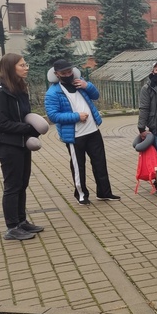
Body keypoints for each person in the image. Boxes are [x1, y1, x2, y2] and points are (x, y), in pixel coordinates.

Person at [45, 59, 120, 206]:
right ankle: (81, 194)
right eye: (64, 73)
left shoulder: (80, 83)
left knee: (100, 162)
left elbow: (96, 96)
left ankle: (104, 192)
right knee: (78, 166)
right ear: (56, 74)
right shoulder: (53, 93)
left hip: (93, 130)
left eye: (69, 71)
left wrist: (87, 86)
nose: (68, 74)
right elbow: (53, 116)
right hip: (75, 135)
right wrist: (76, 116)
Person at [0, 53, 45, 240]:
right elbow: (1, 123)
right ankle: (12, 227)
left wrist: (32, 127)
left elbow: (23, 115)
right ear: (11, 68)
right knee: (12, 186)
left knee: (22, 183)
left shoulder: (19, 89)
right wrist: (29, 128)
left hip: (22, 144)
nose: (26, 67)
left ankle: (21, 221)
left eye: (25, 64)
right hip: (9, 146)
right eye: (22, 65)